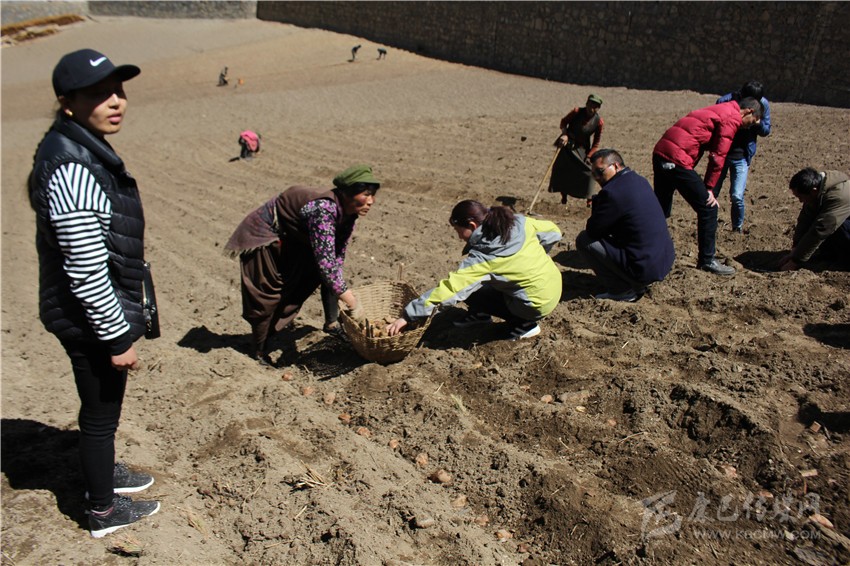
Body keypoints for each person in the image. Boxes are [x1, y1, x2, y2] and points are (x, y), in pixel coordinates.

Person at [28, 48, 160, 538]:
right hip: (88, 318)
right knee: (101, 414)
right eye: (99, 94)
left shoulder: (78, 145)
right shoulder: (72, 166)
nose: (116, 101)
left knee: (102, 409)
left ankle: (103, 474)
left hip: (87, 312)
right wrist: (116, 338)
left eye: (118, 90)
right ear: (68, 102)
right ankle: (102, 510)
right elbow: (85, 270)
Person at [225, 165, 379, 365]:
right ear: (347, 193)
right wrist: (352, 302)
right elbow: (326, 263)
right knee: (269, 293)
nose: (371, 201)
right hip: (267, 233)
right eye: (365, 195)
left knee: (319, 275)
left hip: (295, 236)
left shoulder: (349, 213)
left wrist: (340, 290)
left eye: (373, 195)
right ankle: (259, 349)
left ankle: (331, 324)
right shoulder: (323, 209)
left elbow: (335, 258)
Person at [386, 200, 562, 341]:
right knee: (483, 283)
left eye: (458, 230)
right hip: (554, 286)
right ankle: (481, 314)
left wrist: (408, 316)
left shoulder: (485, 258)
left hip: (535, 305)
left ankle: (525, 324)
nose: (458, 236)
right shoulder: (519, 222)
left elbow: (451, 290)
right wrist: (538, 257)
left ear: (472, 225)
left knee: (469, 289)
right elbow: (554, 232)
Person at [652, 97, 763, 275]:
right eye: (752, 122)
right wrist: (709, 189)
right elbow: (718, 155)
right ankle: (707, 260)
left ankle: (640, 246)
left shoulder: (722, 109)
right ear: (748, 111)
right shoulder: (732, 118)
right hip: (677, 157)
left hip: (661, 152)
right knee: (708, 208)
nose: (749, 127)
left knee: (659, 209)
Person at [576, 149, 675, 302]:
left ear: (615, 166)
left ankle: (621, 291)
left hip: (644, 268)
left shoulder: (612, 193)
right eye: (593, 174)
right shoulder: (639, 180)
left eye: (600, 172)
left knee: (584, 240)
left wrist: (598, 203)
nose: (597, 178)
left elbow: (593, 230)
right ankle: (632, 281)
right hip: (664, 261)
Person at [715, 81, 772, 233]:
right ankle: (709, 223)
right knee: (712, 193)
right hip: (722, 153)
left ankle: (737, 228)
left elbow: (766, 130)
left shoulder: (763, 104)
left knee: (737, 196)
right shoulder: (725, 101)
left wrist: (757, 124)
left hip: (742, 156)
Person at [778, 168, 850, 271]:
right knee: (818, 216)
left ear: (813, 191)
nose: (800, 201)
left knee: (832, 223)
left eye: (801, 197)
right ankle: (831, 254)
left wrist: (795, 261)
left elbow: (821, 229)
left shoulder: (838, 196)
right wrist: (795, 248)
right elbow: (805, 219)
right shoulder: (818, 188)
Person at [548, 93, 604, 207]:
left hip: (583, 148)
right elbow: (563, 122)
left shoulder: (599, 122)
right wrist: (564, 134)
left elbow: (596, 143)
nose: (591, 109)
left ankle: (589, 199)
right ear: (586, 104)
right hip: (567, 144)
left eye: (595, 106)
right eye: (590, 105)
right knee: (563, 169)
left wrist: (589, 155)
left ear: (598, 108)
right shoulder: (576, 112)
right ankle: (564, 196)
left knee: (589, 172)